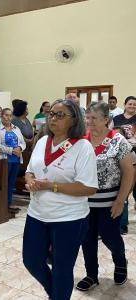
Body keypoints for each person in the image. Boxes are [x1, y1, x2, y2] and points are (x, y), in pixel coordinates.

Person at [23, 99, 98, 300]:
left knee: (62, 268)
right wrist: (30, 180)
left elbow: (89, 187)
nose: (53, 118)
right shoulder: (42, 142)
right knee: (31, 260)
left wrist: (51, 186)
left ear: (74, 120)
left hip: (69, 218)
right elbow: (30, 170)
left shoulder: (82, 147)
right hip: (37, 214)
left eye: (60, 115)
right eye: (52, 114)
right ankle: (55, 294)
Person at [76, 102, 133, 291]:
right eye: (88, 117)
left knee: (110, 237)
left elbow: (129, 172)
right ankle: (91, 274)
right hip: (84, 202)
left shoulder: (118, 140)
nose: (89, 122)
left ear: (106, 119)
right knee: (87, 239)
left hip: (110, 201)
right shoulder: (81, 141)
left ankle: (120, 263)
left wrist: (120, 201)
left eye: (94, 118)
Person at [112, 95, 136, 234]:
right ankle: (121, 223)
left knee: (129, 189)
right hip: (119, 155)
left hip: (134, 156)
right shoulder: (117, 119)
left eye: (135, 105)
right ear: (125, 104)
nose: (132, 106)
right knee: (123, 190)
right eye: (130, 104)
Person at [0, 108, 26, 213]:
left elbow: (23, 142)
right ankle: (1, 205)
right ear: (1, 116)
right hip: (4, 160)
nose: (8, 117)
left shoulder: (16, 128)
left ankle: (8, 204)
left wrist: (20, 148)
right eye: (6, 115)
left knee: (11, 183)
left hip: (16, 159)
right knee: (4, 183)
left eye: (10, 115)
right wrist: (12, 150)